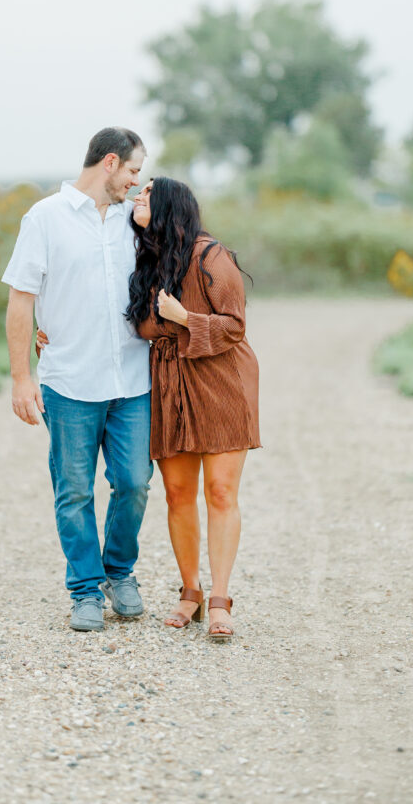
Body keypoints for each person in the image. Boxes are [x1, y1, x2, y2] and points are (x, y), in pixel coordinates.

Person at [1, 128, 153, 632]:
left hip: (132, 379)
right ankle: (85, 589)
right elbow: (21, 299)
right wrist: (23, 378)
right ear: (109, 163)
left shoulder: (136, 222)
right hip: (69, 383)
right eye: (133, 171)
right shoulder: (44, 218)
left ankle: (119, 573)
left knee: (133, 483)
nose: (137, 182)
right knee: (74, 492)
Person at [126, 176, 260, 642]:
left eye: (144, 194)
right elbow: (131, 322)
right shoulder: (145, 255)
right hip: (170, 385)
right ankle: (190, 592)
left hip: (221, 381)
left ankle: (221, 598)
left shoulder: (212, 257)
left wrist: (185, 319)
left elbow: (235, 327)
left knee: (221, 493)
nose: (135, 198)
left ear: (168, 206)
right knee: (178, 494)